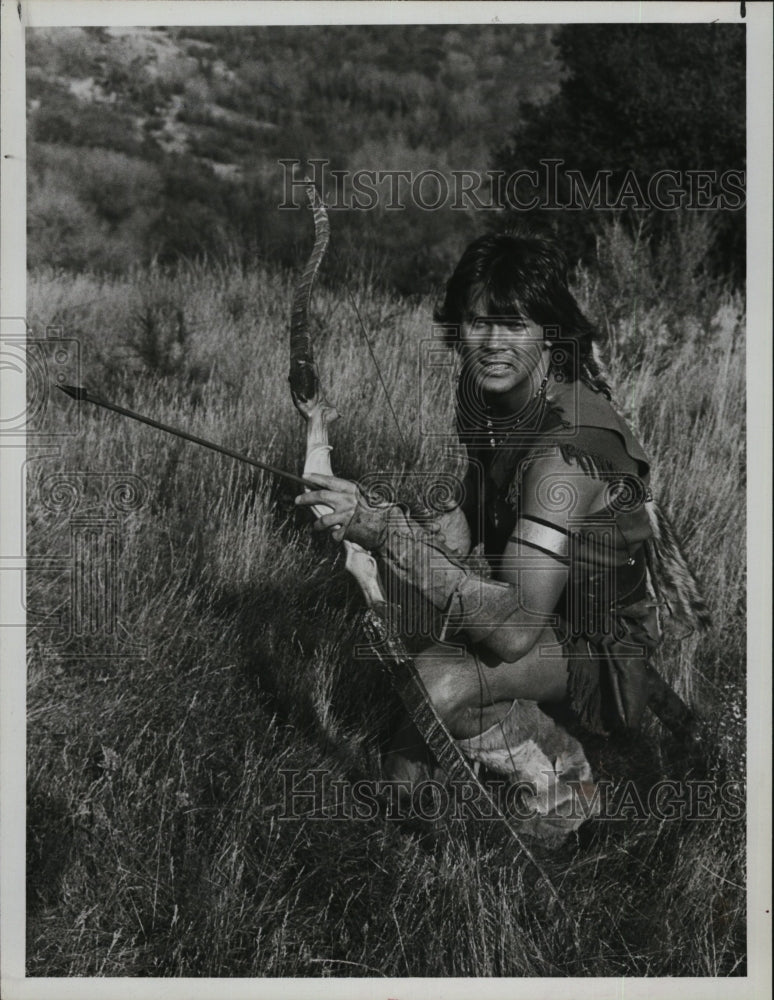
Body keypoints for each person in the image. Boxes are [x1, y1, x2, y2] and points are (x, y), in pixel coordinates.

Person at [296, 231, 700, 846]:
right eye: (476, 323)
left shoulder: (566, 457)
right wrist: (416, 529)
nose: (489, 343)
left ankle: (566, 778)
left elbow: (513, 631)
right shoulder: (491, 400)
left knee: (439, 683)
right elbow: (473, 508)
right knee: (404, 783)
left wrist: (386, 529)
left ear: (549, 331)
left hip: (597, 642)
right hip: (540, 601)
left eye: (512, 324)